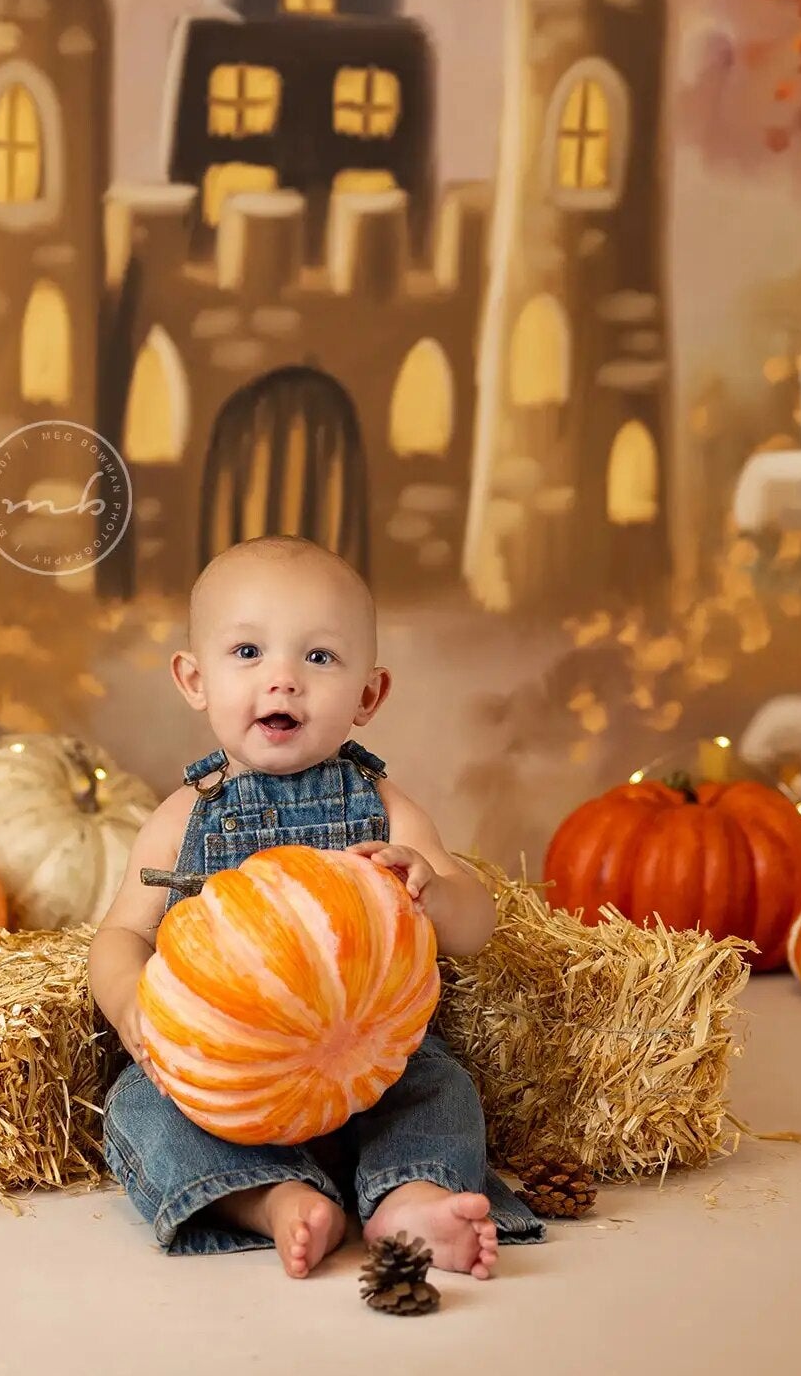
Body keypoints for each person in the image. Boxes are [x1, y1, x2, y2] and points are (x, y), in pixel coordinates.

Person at [89, 534, 544, 1279]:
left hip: (369, 1058)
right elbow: (121, 935)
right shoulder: (181, 818)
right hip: (226, 1072)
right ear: (193, 679)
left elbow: (475, 927)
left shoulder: (383, 806)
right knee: (142, 1106)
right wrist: (130, 1002)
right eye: (247, 654)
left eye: (319, 658)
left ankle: (410, 1196)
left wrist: (429, 882)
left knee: (441, 1088)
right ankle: (274, 1199)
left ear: (368, 695)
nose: (283, 681)